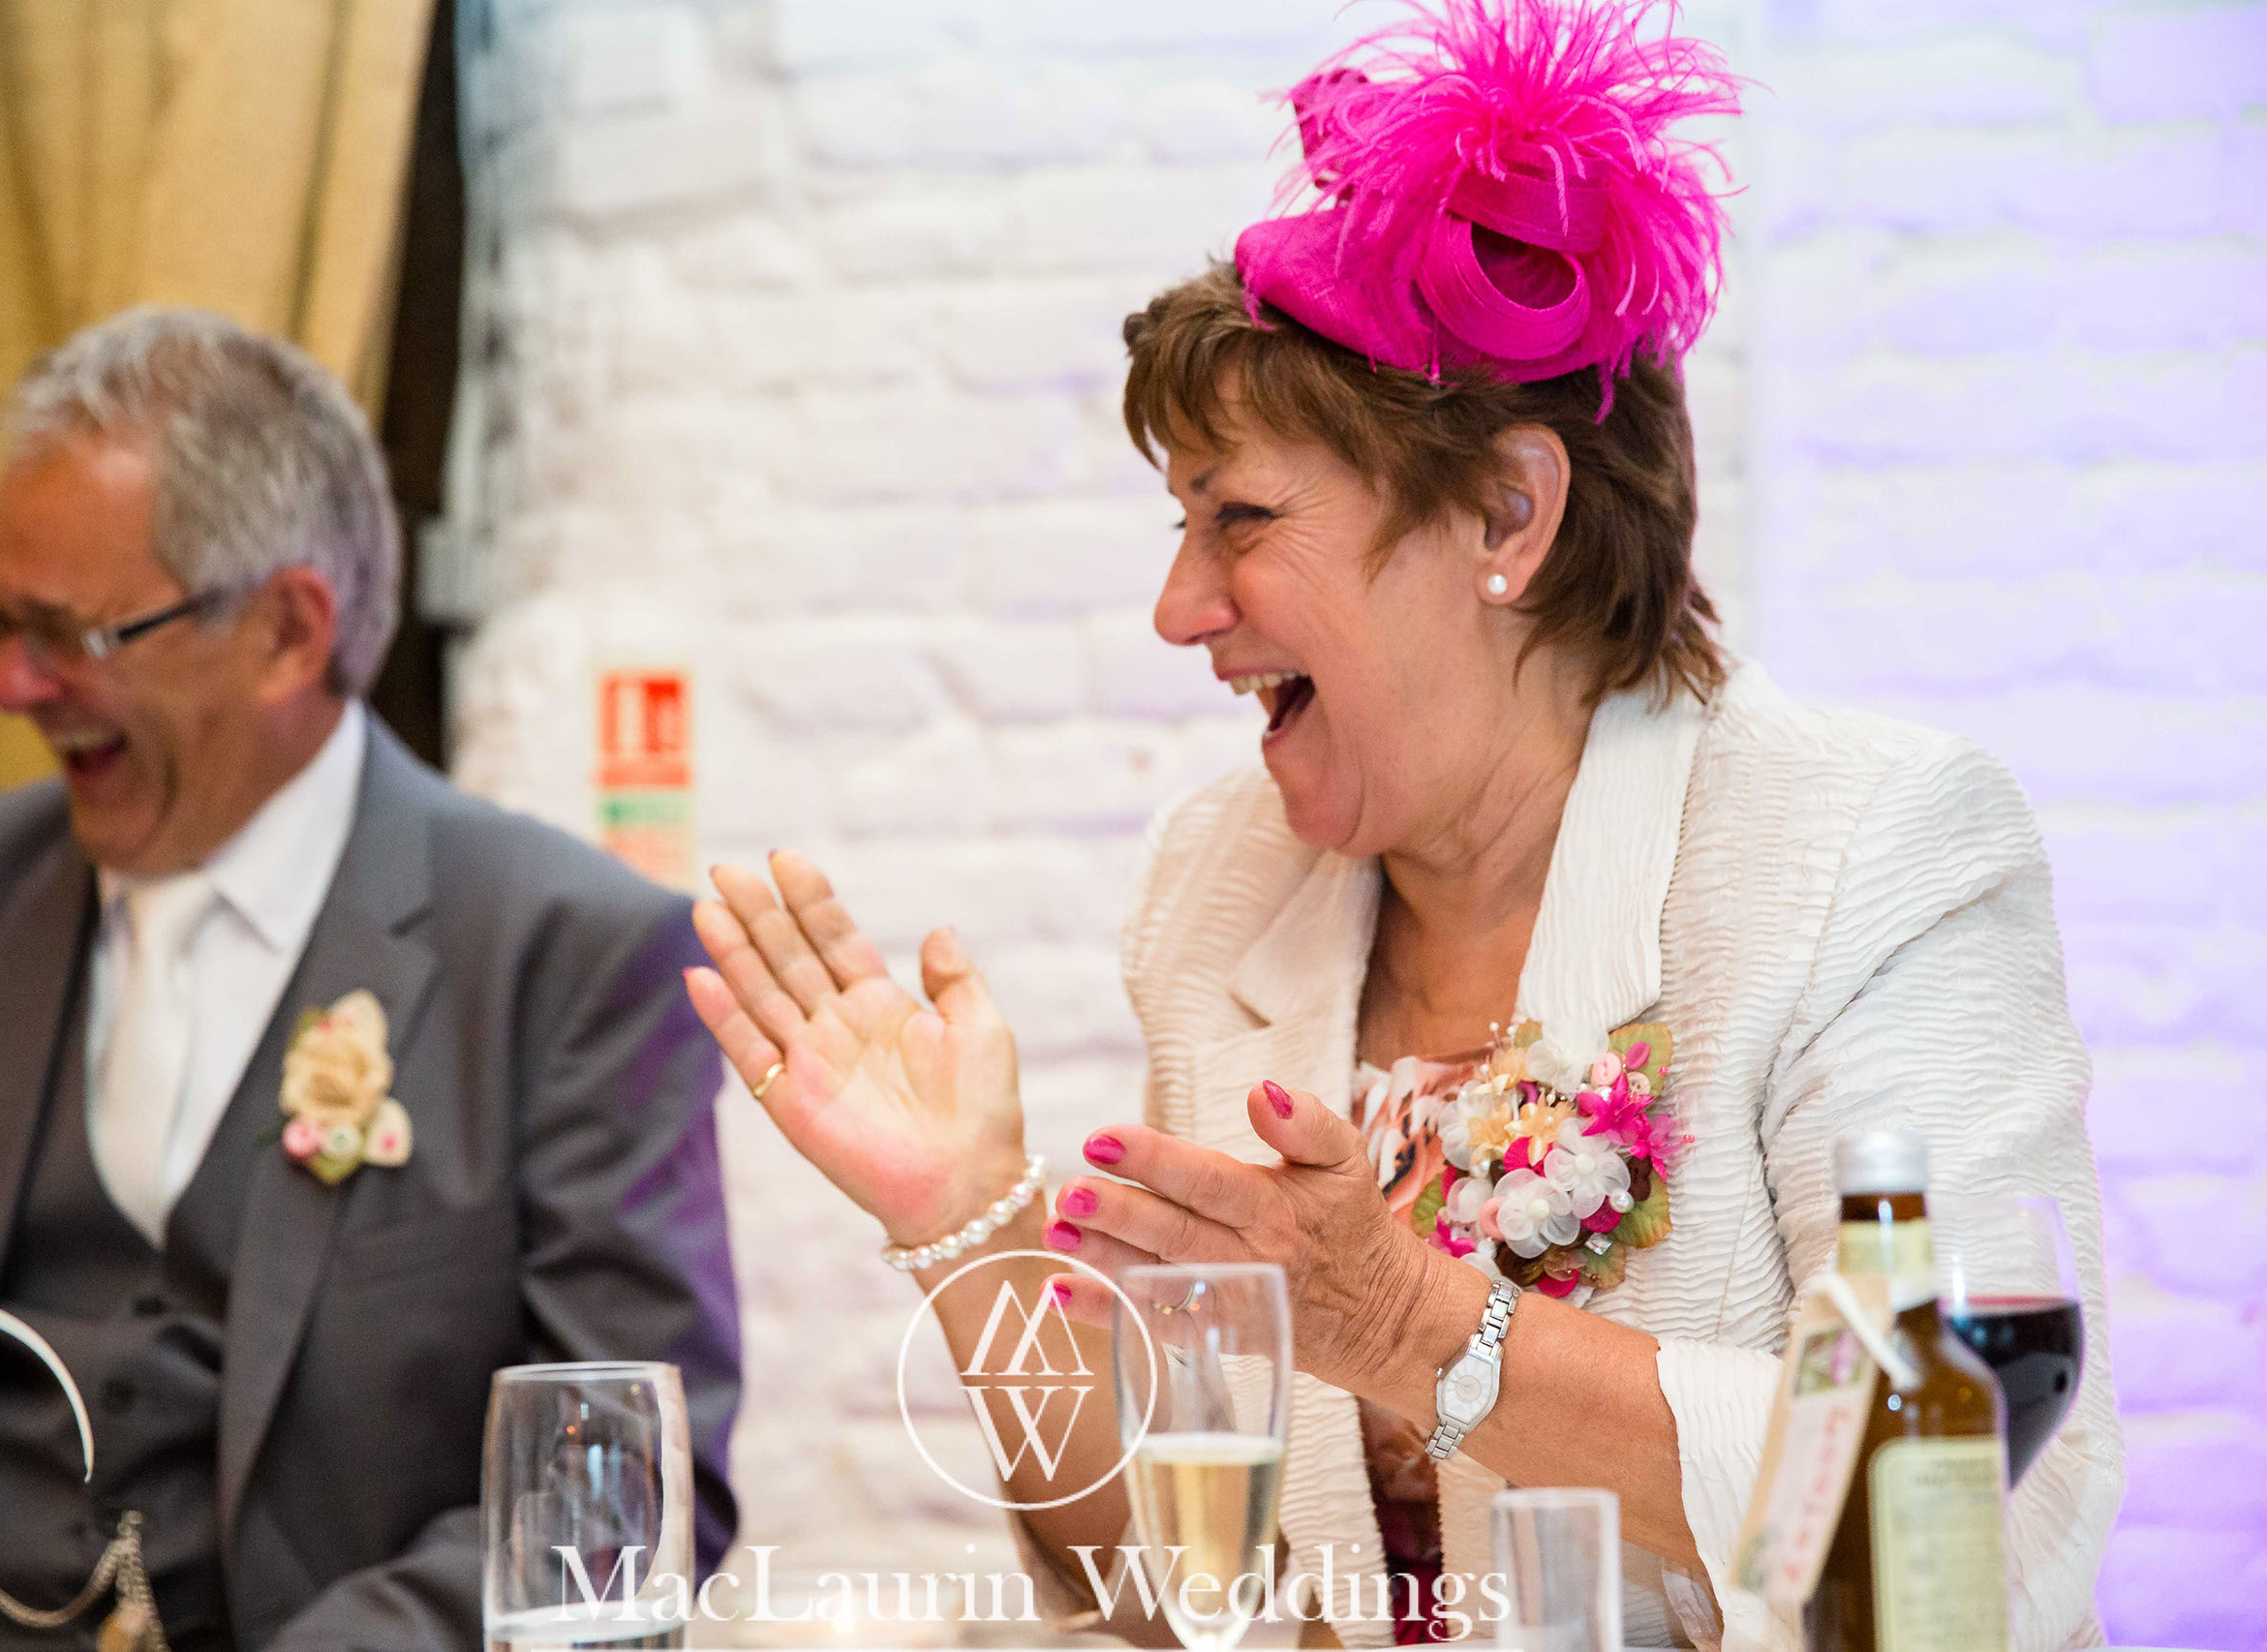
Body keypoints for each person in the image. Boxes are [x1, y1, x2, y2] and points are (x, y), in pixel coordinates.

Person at [680, 3, 2119, 1648]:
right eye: (1180, 523)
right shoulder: (1222, 889)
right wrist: (964, 1217)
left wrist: (1412, 1319)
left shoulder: (1874, 851)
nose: (1176, 607)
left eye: (1241, 518)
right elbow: (1172, 1584)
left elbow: (1952, 1518)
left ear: (1508, 511)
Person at [0, 308, 741, 1650]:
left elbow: (633, 1494)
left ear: (292, 629)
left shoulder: (566, 953)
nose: (12, 683)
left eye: (72, 633)